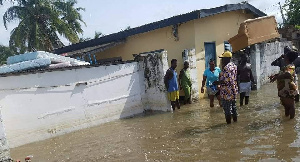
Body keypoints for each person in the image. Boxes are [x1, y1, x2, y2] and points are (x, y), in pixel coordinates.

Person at [270, 51, 299, 119]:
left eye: (285, 56)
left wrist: (277, 77)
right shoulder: (287, 66)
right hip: (284, 89)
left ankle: (291, 123)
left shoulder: (291, 66)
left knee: (291, 105)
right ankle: (286, 122)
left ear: (288, 58)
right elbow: (283, 73)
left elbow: (288, 74)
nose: (284, 56)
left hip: (288, 89)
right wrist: (275, 75)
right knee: (286, 105)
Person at [214, 51, 238, 124]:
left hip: (227, 92)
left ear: (227, 58)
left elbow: (226, 81)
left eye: (223, 58)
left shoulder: (226, 68)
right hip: (233, 90)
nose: (222, 60)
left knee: (227, 109)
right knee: (234, 108)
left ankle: (229, 125)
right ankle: (235, 123)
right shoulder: (234, 65)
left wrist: (217, 82)